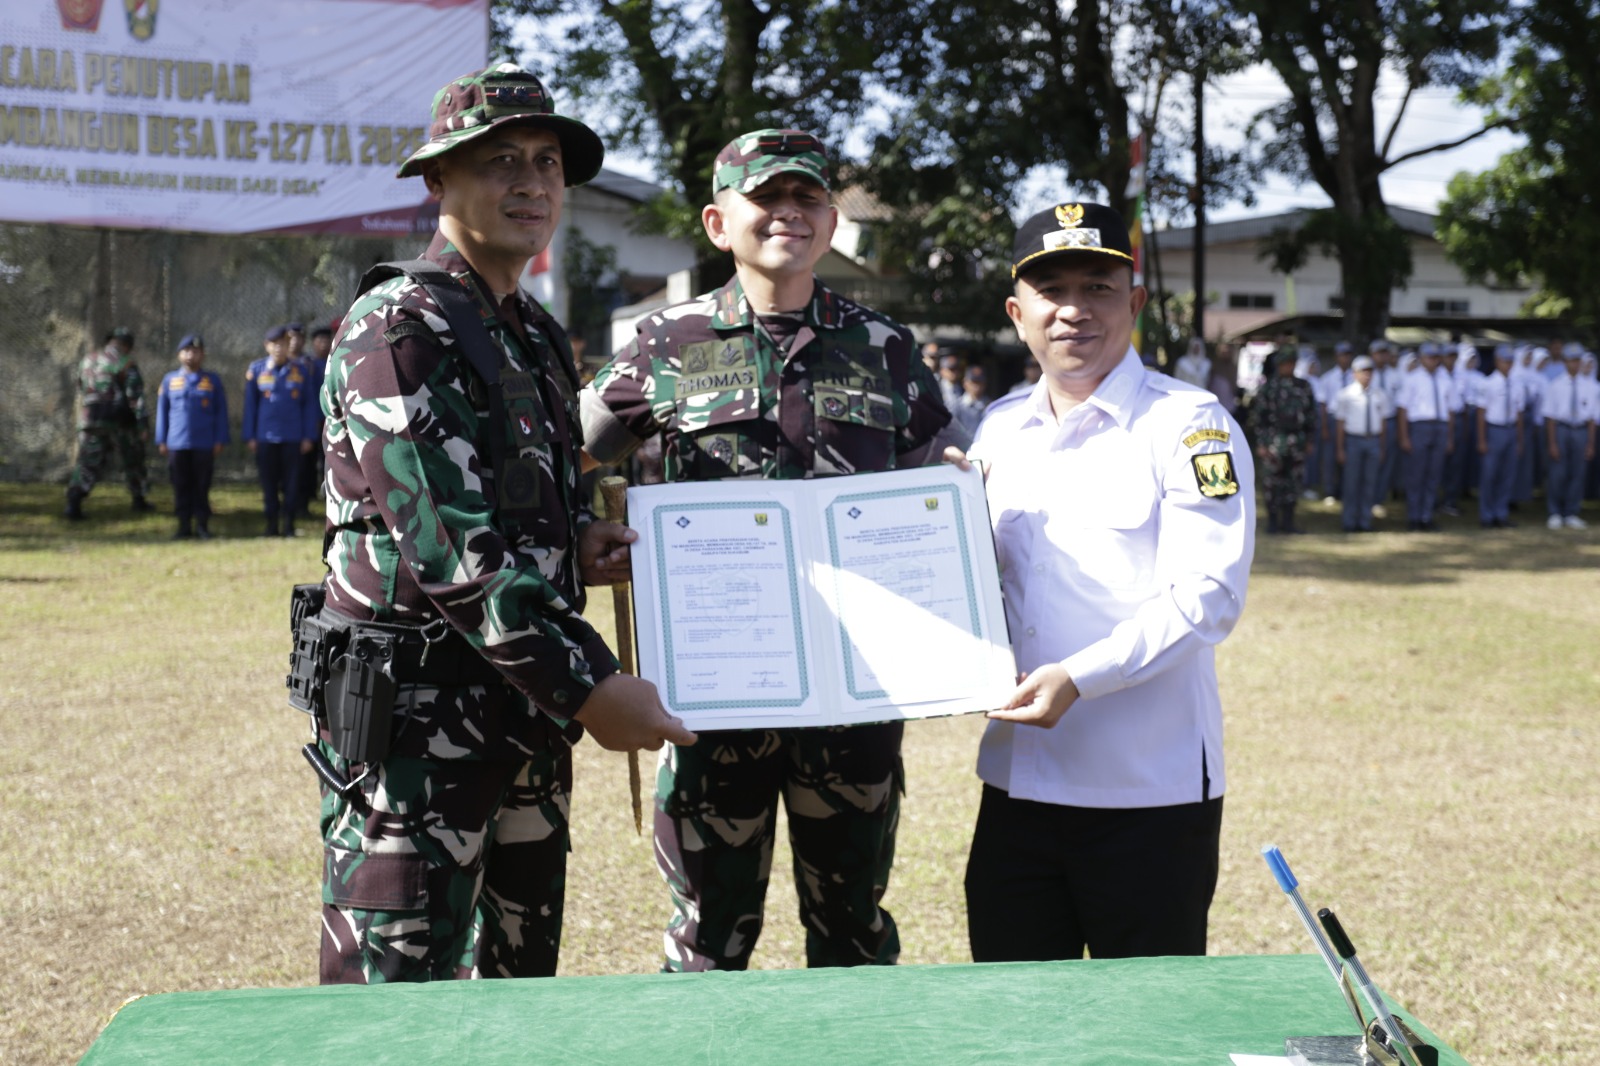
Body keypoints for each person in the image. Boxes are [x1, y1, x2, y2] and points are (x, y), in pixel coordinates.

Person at [311, 62, 694, 986]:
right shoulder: (400, 328)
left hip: (522, 721)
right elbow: (452, 551)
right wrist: (597, 689)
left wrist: (577, 543)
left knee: (521, 1001)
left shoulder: (528, 330)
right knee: (392, 1007)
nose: (531, 184)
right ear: (439, 182)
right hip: (418, 735)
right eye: (499, 163)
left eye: (548, 163)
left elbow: (519, 507)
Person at [580, 127, 955, 973]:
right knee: (710, 940)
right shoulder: (666, 343)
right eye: (766, 197)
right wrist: (582, 529)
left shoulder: (886, 348)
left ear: (830, 221)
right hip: (715, 697)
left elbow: (946, 485)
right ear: (719, 223)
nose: (789, 212)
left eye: (808, 198)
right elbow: (562, 448)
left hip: (853, 695)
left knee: (853, 932)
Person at [955, 200, 1254, 962]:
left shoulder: (1190, 424)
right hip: (1017, 787)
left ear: (1136, 303)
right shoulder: (997, 429)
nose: (1074, 311)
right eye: (1052, 291)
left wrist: (1078, 678)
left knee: (1147, 1031)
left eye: (1098, 287)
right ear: (1018, 313)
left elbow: (1208, 596)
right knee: (1018, 1021)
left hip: (1144, 793)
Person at [65, 326, 154, 520]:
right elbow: (135, 397)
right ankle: (139, 499)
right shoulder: (125, 363)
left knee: (87, 462)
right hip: (119, 422)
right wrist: (142, 425)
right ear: (127, 346)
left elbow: (81, 388)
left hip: (89, 421)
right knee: (133, 460)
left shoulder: (87, 361)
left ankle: (74, 502)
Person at [154, 334, 230, 539]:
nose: (191, 355)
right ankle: (183, 525)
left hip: (204, 443)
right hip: (177, 443)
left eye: (195, 351)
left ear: (202, 355)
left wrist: (220, 439)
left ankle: (202, 525)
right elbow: (162, 411)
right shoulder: (170, 380)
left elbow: (220, 412)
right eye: (186, 351)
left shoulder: (212, 380)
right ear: (179, 355)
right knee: (180, 484)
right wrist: (161, 440)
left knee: (202, 485)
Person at [243, 324, 317, 536]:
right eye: (275, 344)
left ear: (288, 346)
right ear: (267, 346)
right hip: (265, 437)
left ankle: (289, 525)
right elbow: (250, 406)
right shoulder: (256, 371)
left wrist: (308, 436)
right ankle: (271, 525)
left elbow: (308, 406)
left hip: (293, 437)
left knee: (292, 483)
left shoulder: (301, 371)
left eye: (283, 344)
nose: (279, 348)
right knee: (269, 484)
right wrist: (250, 435)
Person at [1252, 347, 1318, 534]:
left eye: (1291, 363)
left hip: (1297, 441)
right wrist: (1261, 443)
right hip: (1274, 441)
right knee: (1272, 483)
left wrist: (1310, 440)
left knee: (1293, 482)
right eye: (1285, 363)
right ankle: (1273, 522)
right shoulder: (1268, 388)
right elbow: (1260, 418)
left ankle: (1288, 521)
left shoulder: (1303, 386)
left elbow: (1311, 415)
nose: (1288, 366)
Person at [1396, 343, 1458, 531]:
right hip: (1420, 426)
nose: (1433, 360)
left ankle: (1426, 516)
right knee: (1416, 475)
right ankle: (1414, 517)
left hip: (1439, 427)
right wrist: (1404, 436)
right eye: (1429, 357)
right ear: (1421, 358)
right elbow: (1402, 409)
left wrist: (1449, 436)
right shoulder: (1412, 379)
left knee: (1433, 475)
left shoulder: (1445, 379)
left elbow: (1451, 410)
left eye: (1436, 357)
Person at [1330, 355, 1391, 533]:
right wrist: (1340, 448)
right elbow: (1340, 423)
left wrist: (1381, 446)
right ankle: (1349, 521)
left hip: (1372, 440)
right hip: (1353, 440)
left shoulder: (1379, 394)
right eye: (1363, 371)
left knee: (1369, 482)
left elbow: (1383, 423)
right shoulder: (1346, 394)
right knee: (1351, 482)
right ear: (1355, 373)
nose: (1367, 375)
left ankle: (1365, 521)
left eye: (1370, 371)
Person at [1543, 346, 1597, 529]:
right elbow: (1550, 418)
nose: (1574, 364)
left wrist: (1590, 443)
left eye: (1577, 360)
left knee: (1578, 473)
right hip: (1562, 429)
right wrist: (1552, 443)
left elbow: (1592, 419)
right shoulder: (1555, 385)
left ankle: (1571, 512)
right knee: (1558, 473)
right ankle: (1555, 512)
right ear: (1565, 362)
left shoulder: (1591, 386)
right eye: (1571, 360)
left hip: (1580, 430)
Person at [1475, 345, 1523, 529]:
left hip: (1510, 429)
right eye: (1505, 361)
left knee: (1507, 475)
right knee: (1490, 475)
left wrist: (1519, 440)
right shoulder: (1487, 383)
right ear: (1497, 361)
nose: (1508, 365)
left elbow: (1519, 414)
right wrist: (1481, 439)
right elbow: (1481, 413)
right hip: (1494, 430)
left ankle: (1501, 513)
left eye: (1511, 361)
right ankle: (1486, 515)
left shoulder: (1517, 384)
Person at [952, 364, 990, 435]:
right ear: (965, 383)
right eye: (974, 382)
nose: (976, 386)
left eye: (979, 382)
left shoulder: (990, 405)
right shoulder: (956, 406)